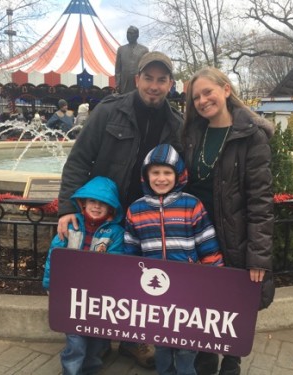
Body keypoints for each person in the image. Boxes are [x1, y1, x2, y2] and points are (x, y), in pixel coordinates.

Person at [56, 51, 182, 369]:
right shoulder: (109, 112)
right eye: (149, 78)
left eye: (162, 79)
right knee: (97, 276)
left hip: (147, 216)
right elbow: (79, 160)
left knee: (139, 279)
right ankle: (96, 337)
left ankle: (132, 339)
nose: (154, 86)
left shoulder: (176, 123)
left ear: (170, 84)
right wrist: (66, 209)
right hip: (105, 213)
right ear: (136, 79)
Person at [182, 67, 275, 375]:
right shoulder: (193, 134)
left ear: (225, 89)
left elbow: (260, 201)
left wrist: (258, 256)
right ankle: (205, 359)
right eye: (196, 97)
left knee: (233, 307)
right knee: (202, 304)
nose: (203, 100)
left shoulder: (252, 136)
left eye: (208, 92)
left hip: (234, 235)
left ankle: (231, 363)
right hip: (197, 234)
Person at [124, 143, 224, 375]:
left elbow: (207, 244)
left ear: (178, 175)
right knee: (160, 343)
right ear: (146, 175)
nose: (161, 178)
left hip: (189, 289)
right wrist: (130, 286)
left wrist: (215, 281)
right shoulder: (135, 210)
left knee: (188, 345)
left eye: (167, 172)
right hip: (153, 291)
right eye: (155, 172)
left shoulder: (191, 204)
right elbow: (130, 252)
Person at [42, 176, 124, 375]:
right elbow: (55, 257)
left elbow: (117, 263)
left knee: (96, 340)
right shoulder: (70, 226)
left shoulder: (115, 233)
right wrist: (51, 285)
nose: (97, 206)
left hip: (99, 297)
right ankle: (71, 371)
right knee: (76, 341)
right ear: (83, 203)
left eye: (103, 203)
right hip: (72, 296)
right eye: (93, 201)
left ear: (112, 208)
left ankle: (90, 369)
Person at [115, 26, 149, 94]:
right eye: (128, 33)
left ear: (137, 35)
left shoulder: (144, 50)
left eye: (131, 33)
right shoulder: (121, 49)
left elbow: (146, 68)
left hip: (138, 82)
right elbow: (118, 69)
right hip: (124, 83)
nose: (129, 35)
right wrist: (118, 83)